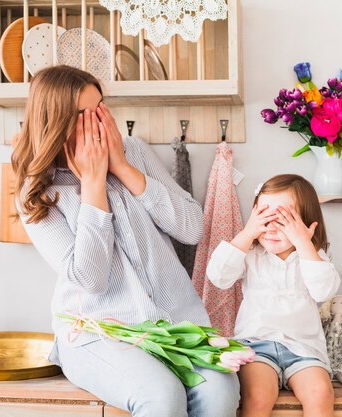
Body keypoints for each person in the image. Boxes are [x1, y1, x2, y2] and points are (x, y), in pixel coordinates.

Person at [12, 65, 239, 417]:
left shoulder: (134, 151)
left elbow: (194, 229)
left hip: (176, 322)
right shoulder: (37, 191)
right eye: (84, 116)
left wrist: (122, 168)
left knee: (220, 396)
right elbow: (90, 278)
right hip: (99, 333)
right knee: (162, 399)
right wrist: (92, 185)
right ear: (54, 122)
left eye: (101, 108)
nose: (99, 123)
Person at [206, 174, 340, 417]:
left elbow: (324, 290)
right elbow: (218, 277)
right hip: (257, 345)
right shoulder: (250, 254)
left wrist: (304, 244)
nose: (270, 228)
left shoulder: (312, 257)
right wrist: (247, 234)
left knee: (321, 393)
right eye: (264, 218)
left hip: (304, 348)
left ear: (307, 223)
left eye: (284, 220)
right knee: (257, 396)